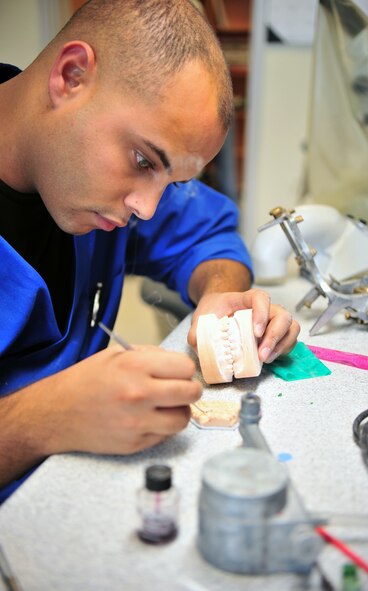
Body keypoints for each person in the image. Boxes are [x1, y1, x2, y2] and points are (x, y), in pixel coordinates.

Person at [0, 0, 300, 503]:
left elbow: (208, 235)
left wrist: (219, 297)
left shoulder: (97, 181)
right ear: (71, 76)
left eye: (172, 180)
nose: (146, 207)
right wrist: (43, 417)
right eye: (143, 160)